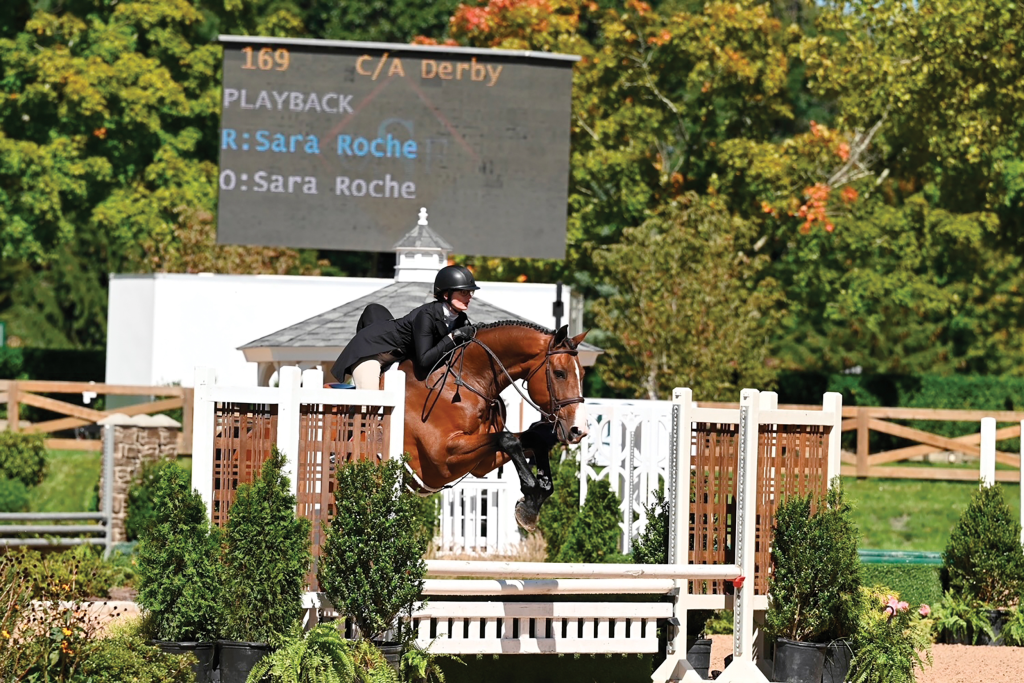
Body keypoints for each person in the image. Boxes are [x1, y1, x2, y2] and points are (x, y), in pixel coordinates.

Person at [331, 265, 480, 389]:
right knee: (369, 406)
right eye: (463, 292)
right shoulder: (426, 315)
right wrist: (452, 337)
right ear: (446, 295)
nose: (469, 297)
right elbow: (424, 360)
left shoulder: (461, 319)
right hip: (372, 352)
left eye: (470, 292)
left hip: (399, 356)